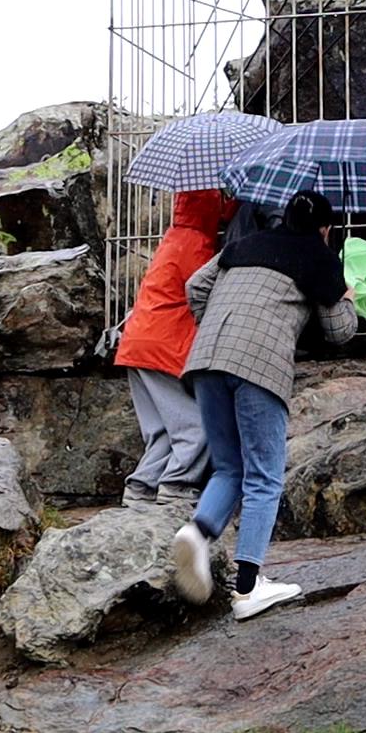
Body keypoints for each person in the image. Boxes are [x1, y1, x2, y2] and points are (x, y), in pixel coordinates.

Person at [171, 190, 356, 621]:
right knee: (264, 476)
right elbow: (338, 331)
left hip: (207, 357)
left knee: (228, 467)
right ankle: (248, 588)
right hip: (259, 364)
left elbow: (195, 286)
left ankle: (197, 532)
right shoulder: (320, 256)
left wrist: (221, 327)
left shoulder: (244, 244)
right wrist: (347, 295)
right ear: (325, 228)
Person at [113, 189, 236, 505]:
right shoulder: (196, 242)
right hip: (163, 348)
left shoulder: (174, 237)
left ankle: (141, 488)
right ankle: (177, 485)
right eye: (220, 202)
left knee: (162, 431)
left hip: (136, 346)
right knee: (196, 426)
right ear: (209, 207)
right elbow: (203, 290)